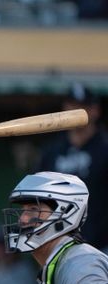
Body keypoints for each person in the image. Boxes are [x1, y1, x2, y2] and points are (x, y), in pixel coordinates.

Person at [35, 82, 108, 251]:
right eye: (72, 106)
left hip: (101, 247)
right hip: (59, 245)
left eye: (82, 107)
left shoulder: (104, 149)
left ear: (95, 110)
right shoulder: (52, 152)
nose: (74, 113)